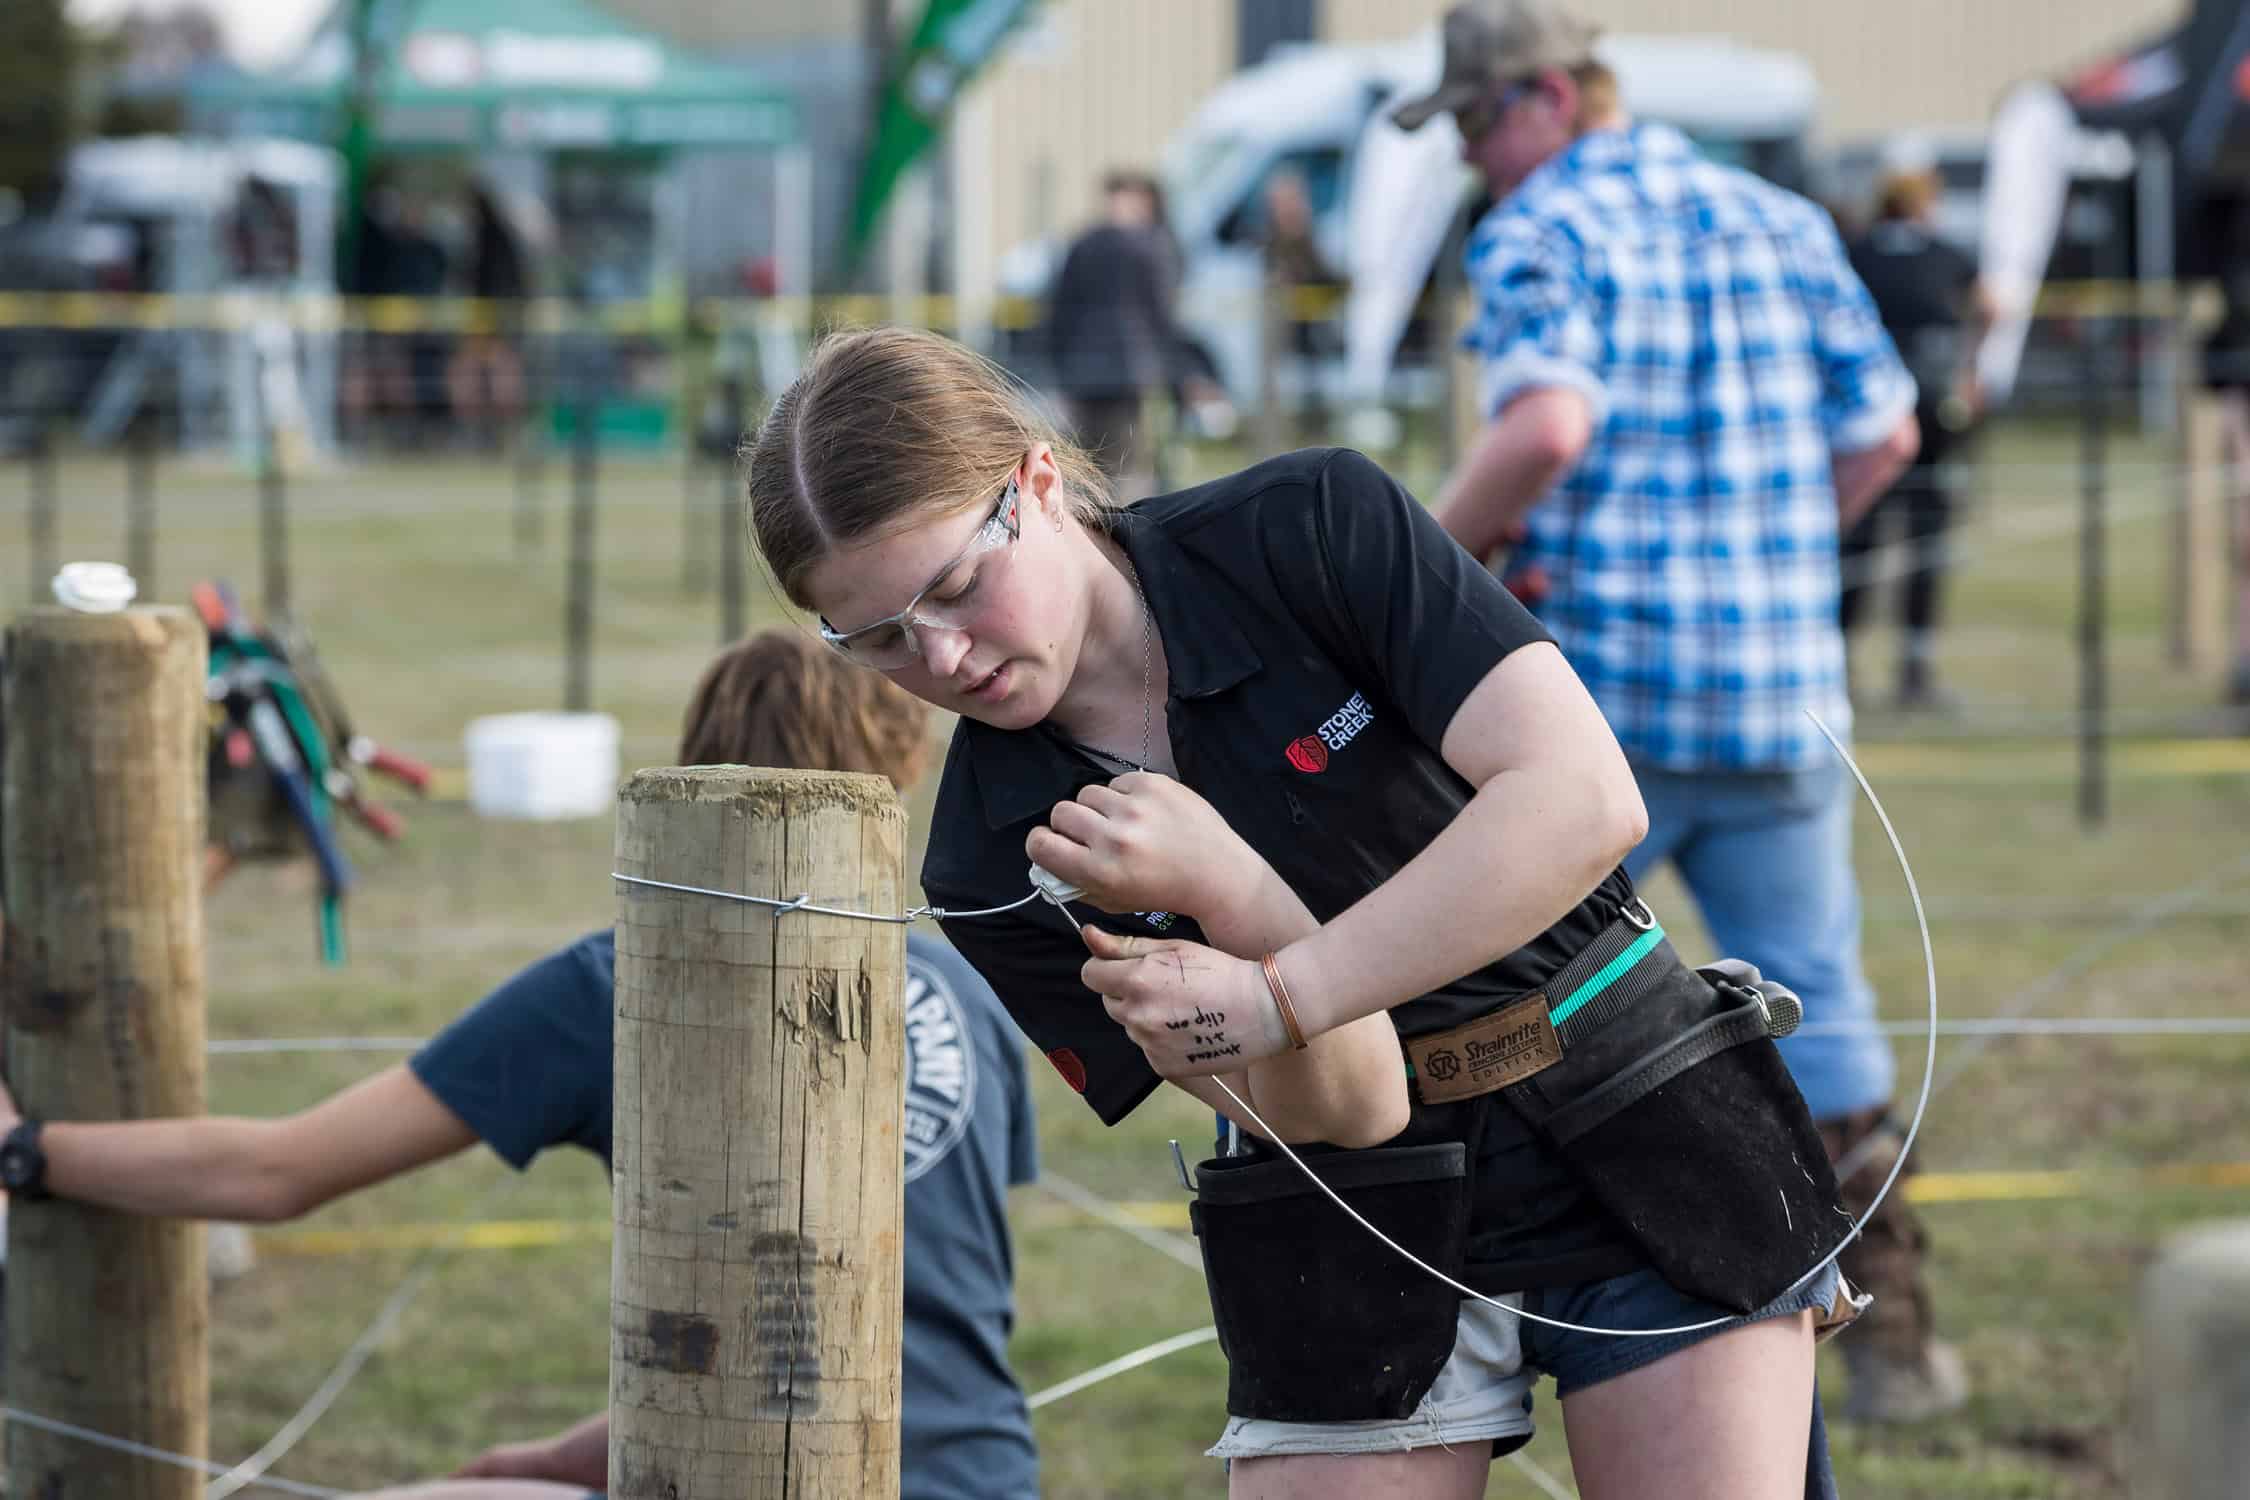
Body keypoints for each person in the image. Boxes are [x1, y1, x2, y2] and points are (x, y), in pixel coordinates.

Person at [745, 322, 1864, 1500]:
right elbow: (1352, 1111)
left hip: (1634, 1110)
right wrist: (1238, 903)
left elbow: (1581, 799)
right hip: (1352, 1202)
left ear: (1033, 481)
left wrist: (1281, 987)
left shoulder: (1310, 525)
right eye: (877, 641)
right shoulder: (988, 860)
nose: (945, 656)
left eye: (958, 586)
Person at [0, 631, 1041, 1500]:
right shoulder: (971, 994)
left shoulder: (614, 987)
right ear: (893, 775)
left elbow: (274, 1173)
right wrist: (551, 1464)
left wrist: (28, 1148)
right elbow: (902, 1345)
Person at [1399, 0, 1961, 1425]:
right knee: (1816, 1001)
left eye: (1471, 126)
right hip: (1781, 694)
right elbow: (1885, 429)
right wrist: (1773, 559)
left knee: (1501, 999)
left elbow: (1543, 427)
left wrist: (1413, 578)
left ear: (1534, 100)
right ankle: (1880, 1334)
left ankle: (1447, 1308)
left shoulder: (1544, 229)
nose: (1476, 161)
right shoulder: (1774, 217)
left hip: (1600, 705)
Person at [1842, 143, 1992, 710]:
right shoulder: (1948, 254)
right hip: (1932, 412)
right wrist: (1972, 370)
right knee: (1927, 535)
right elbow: (1992, 305)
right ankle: (1915, 666)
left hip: (1870, 416)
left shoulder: (1855, 253)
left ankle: (1845, 663)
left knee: (1861, 538)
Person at [1045, 169, 1194, 489]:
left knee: (1086, 462)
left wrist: (1059, 366)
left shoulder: (1082, 244)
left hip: (1083, 370)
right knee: (1128, 461)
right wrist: (1176, 371)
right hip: (1129, 370)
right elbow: (1162, 314)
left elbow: (1058, 310)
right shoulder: (1151, 246)